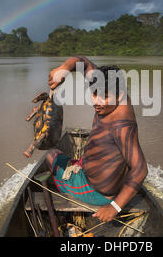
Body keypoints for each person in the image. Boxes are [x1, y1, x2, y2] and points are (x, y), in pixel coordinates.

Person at [46, 56, 148, 223]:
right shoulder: (107, 85)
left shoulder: (122, 125)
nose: (97, 102)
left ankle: (65, 191)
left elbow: (141, 168)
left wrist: (114, 207)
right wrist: (63, 69)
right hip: (102, 178)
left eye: (104, 97)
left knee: (51, 155)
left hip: (96, 192)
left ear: (120, 94)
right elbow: (83, 62)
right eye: (94, 94)